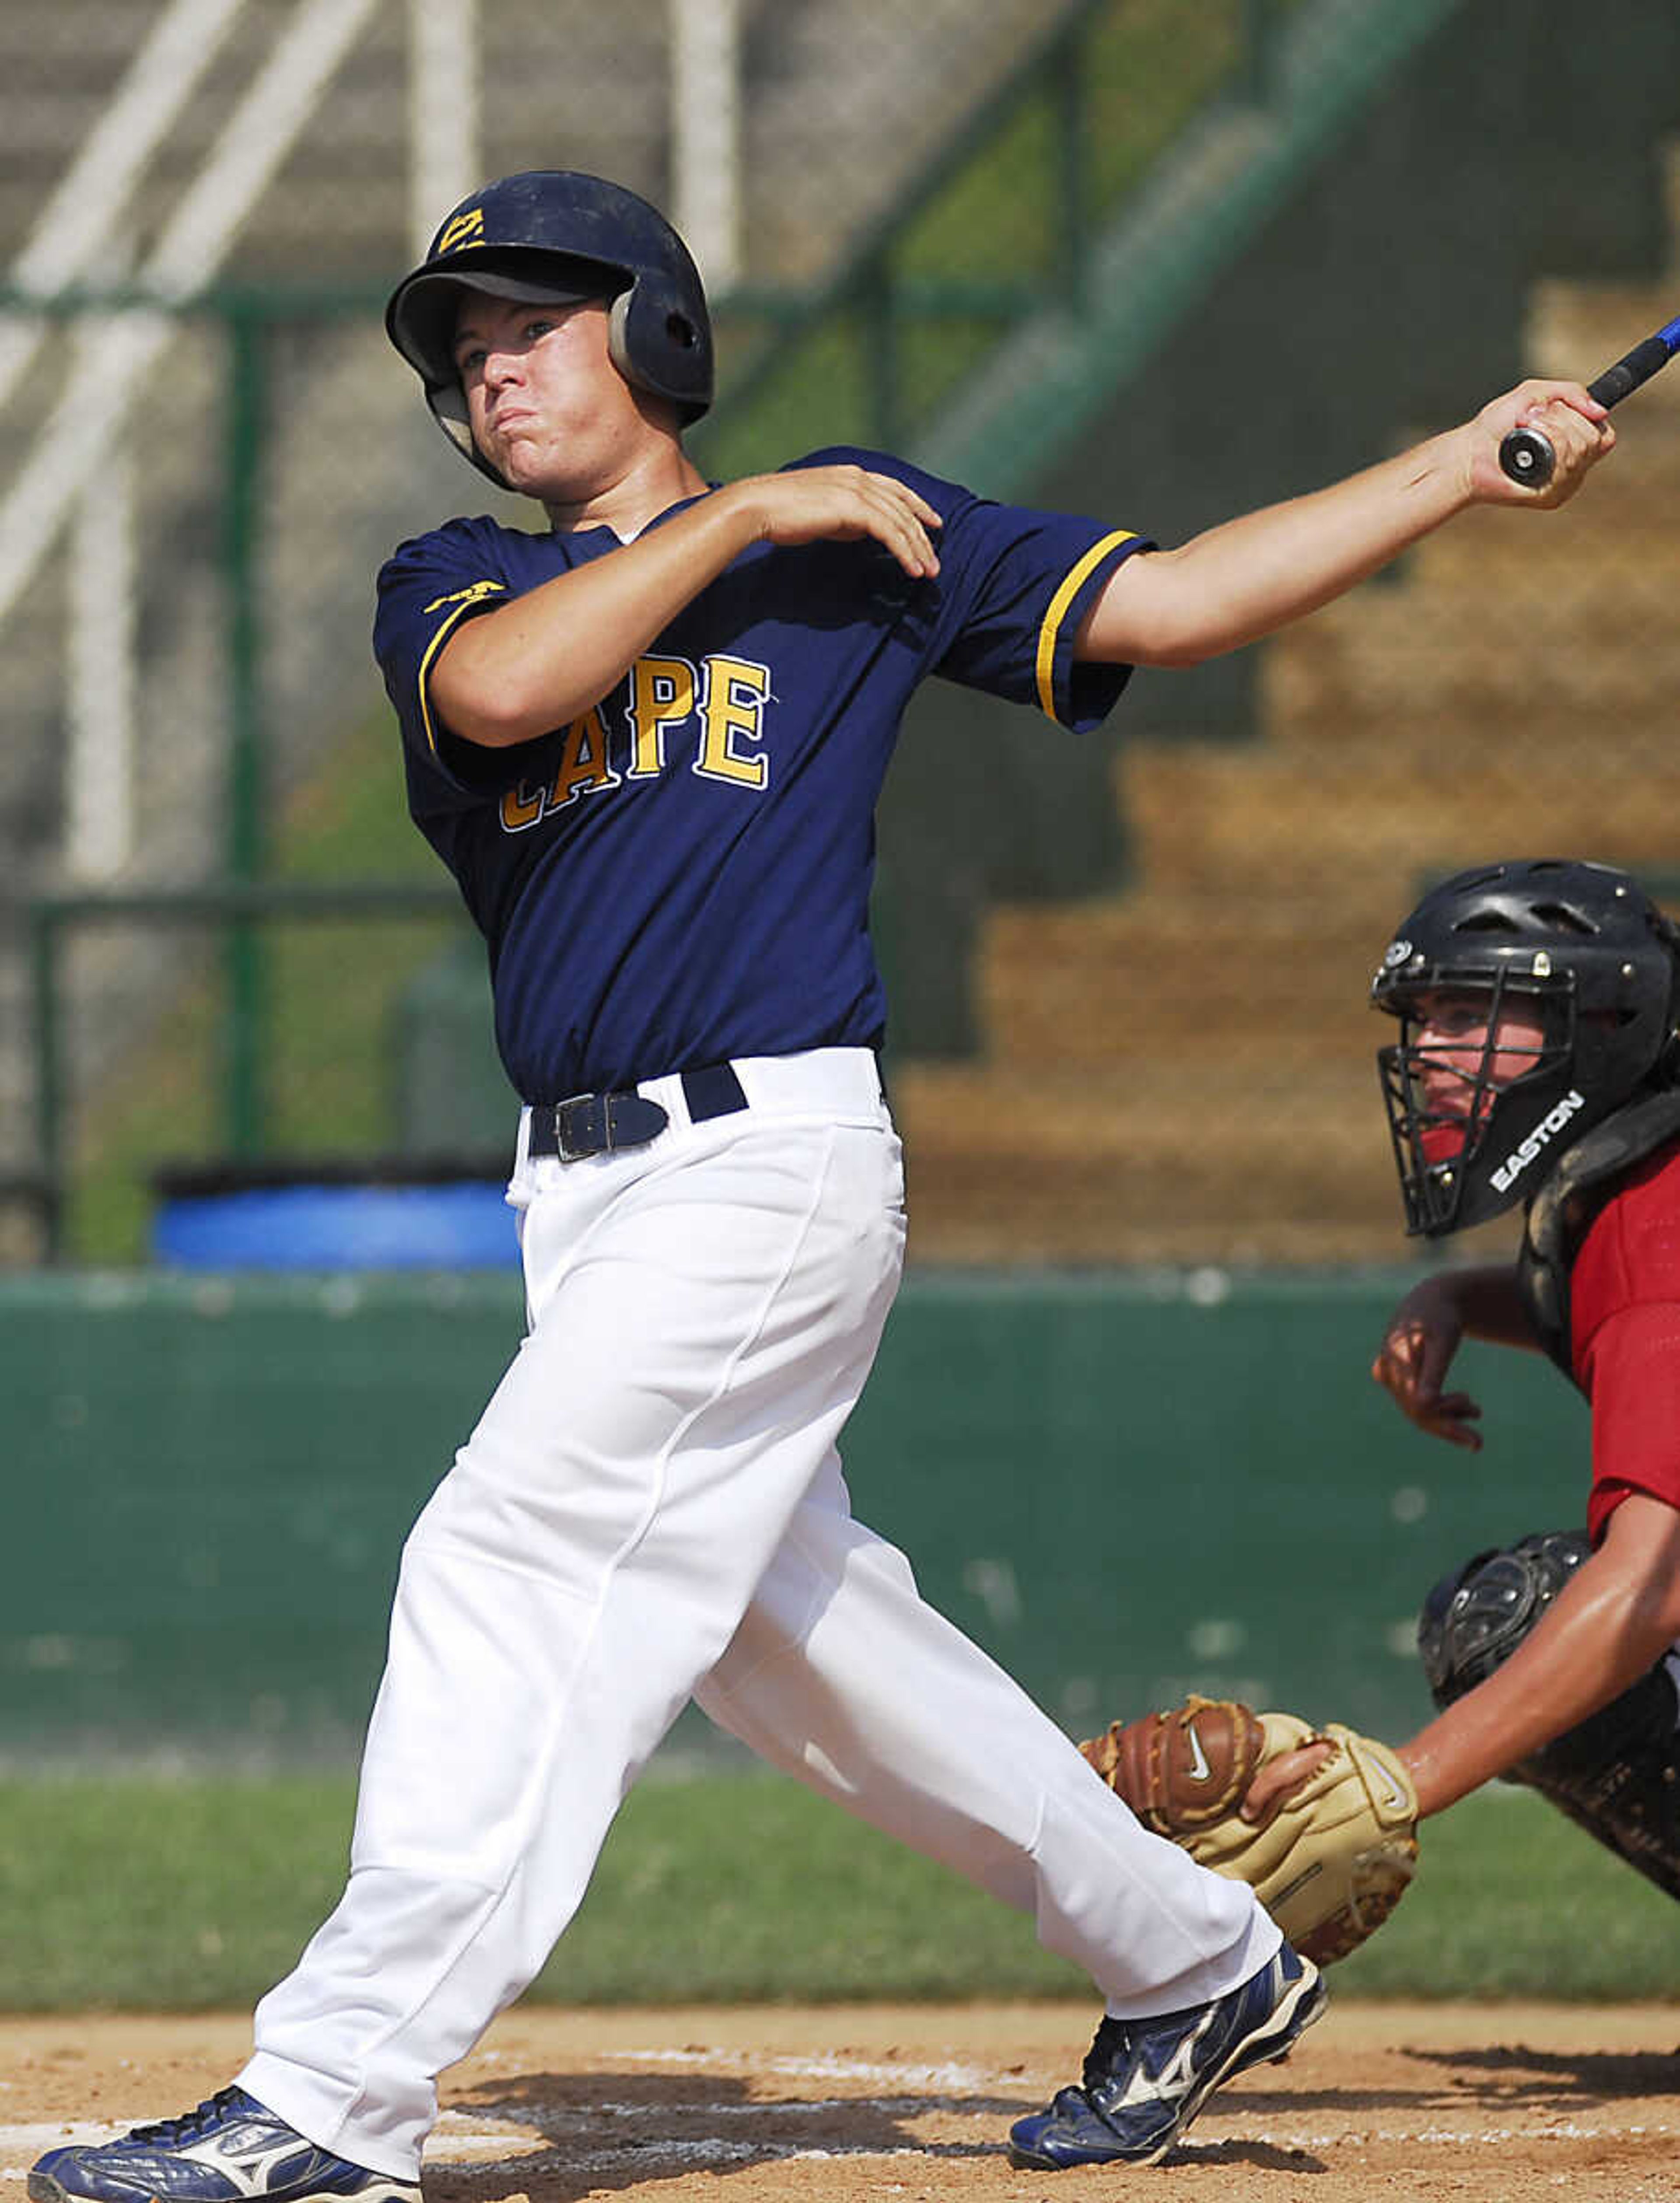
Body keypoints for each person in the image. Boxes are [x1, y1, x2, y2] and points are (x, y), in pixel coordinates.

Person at [28, 175, 1612, 2203]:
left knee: (509, 1561)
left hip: (762, 1165)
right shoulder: (456, 580)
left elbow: (1183, 595)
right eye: (462, 342)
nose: (491, 362)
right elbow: (512, 697)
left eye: (534, 317)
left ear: (660, 334)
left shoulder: (859, 552)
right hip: (586, 1204)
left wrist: (1455, 469)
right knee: (817, 1663)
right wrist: (751, 513)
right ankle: (1200, 1951)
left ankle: (331, 2094)